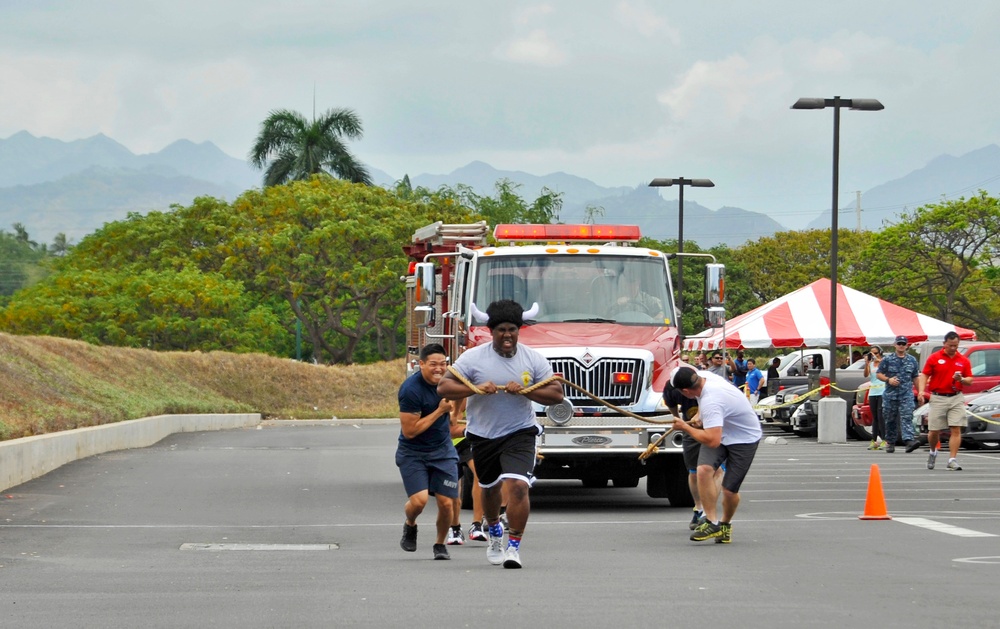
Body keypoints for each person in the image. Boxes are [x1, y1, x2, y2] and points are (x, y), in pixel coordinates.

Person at [437, 299, 565, 569]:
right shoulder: (473, 358)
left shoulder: (533, 358)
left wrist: (526, 390)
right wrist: (474, 388)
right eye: (501, 330)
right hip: (483, 434)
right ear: (491, 331)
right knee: (490, 488)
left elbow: (556, 394)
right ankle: (494, 532)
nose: (507, 335)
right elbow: (444, 387)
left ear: (519, 330)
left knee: (518, 486)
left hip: (520, 431)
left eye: (512, 329)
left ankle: (514, 547)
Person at [670, 366, 762, 544]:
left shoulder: (712, 400)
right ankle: (711, 521)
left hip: (744, 438)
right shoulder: (702, 377)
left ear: (686, 391)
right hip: (721, 430)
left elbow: (712, 441)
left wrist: (685, 427)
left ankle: (725, 525)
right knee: (703, 470)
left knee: (729, 490)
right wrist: (699, 413)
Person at [396, 343, 459, 560]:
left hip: (443, 451)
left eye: (443, 364)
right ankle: (410, 523)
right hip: (413, 452)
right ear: (421, 364)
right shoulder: (410, 390)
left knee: (446, 502)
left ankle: (440, 544)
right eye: (433, 364)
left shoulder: (449, 381)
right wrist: (440, 411)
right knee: (419, 501)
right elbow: (410, 430)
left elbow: (464, 390)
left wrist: (455, 414)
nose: (439, 369)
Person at [663, 362, 724, 532]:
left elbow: (710, 399)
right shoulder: (671, 388)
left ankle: (708, 511)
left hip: (713, 425)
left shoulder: (707, 382)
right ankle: (698, 508)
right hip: (690, 428)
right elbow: (670, 403)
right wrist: (678, 419)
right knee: (693, 471)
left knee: (716, 470)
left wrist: (700, 413)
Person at [913, 331, 973, 470]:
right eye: (951, 345)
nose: (953, 348)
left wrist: (962, 379)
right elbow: (925, 375)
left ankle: (952, 459)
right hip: (938, 397)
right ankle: (933, 451)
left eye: (956, 345)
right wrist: (921, 391)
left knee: (956, 428)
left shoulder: (963, 360)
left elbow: (970, 379)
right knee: (934, 431)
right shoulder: (935, 358)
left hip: (956, 396)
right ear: (944, 344)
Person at [876, 335, 920, 453]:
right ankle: (890, 441)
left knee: (907, 416)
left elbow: (915, 377)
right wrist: (888, 380)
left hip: (906, 394)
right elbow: (879, 374)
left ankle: (909, 440)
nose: (901, 346)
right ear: (895, 345)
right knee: (890, 419)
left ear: (907, 346)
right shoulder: (888, 359)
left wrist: (920, 392)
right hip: (891, 395)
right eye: (899, 344)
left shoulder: (912, 360)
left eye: (903, 344)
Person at [863, 346, 886, 450]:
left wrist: (879, 360)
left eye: (876, 353)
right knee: (875, 417)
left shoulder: (883, 362)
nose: (874, 355)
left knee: (881, 416)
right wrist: (867, 363)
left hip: (882, 391)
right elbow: (866, 375)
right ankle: (874, 440)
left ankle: (885, 439)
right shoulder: (871, 364)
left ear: (880, 353)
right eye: (872, 353)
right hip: (873, 391)